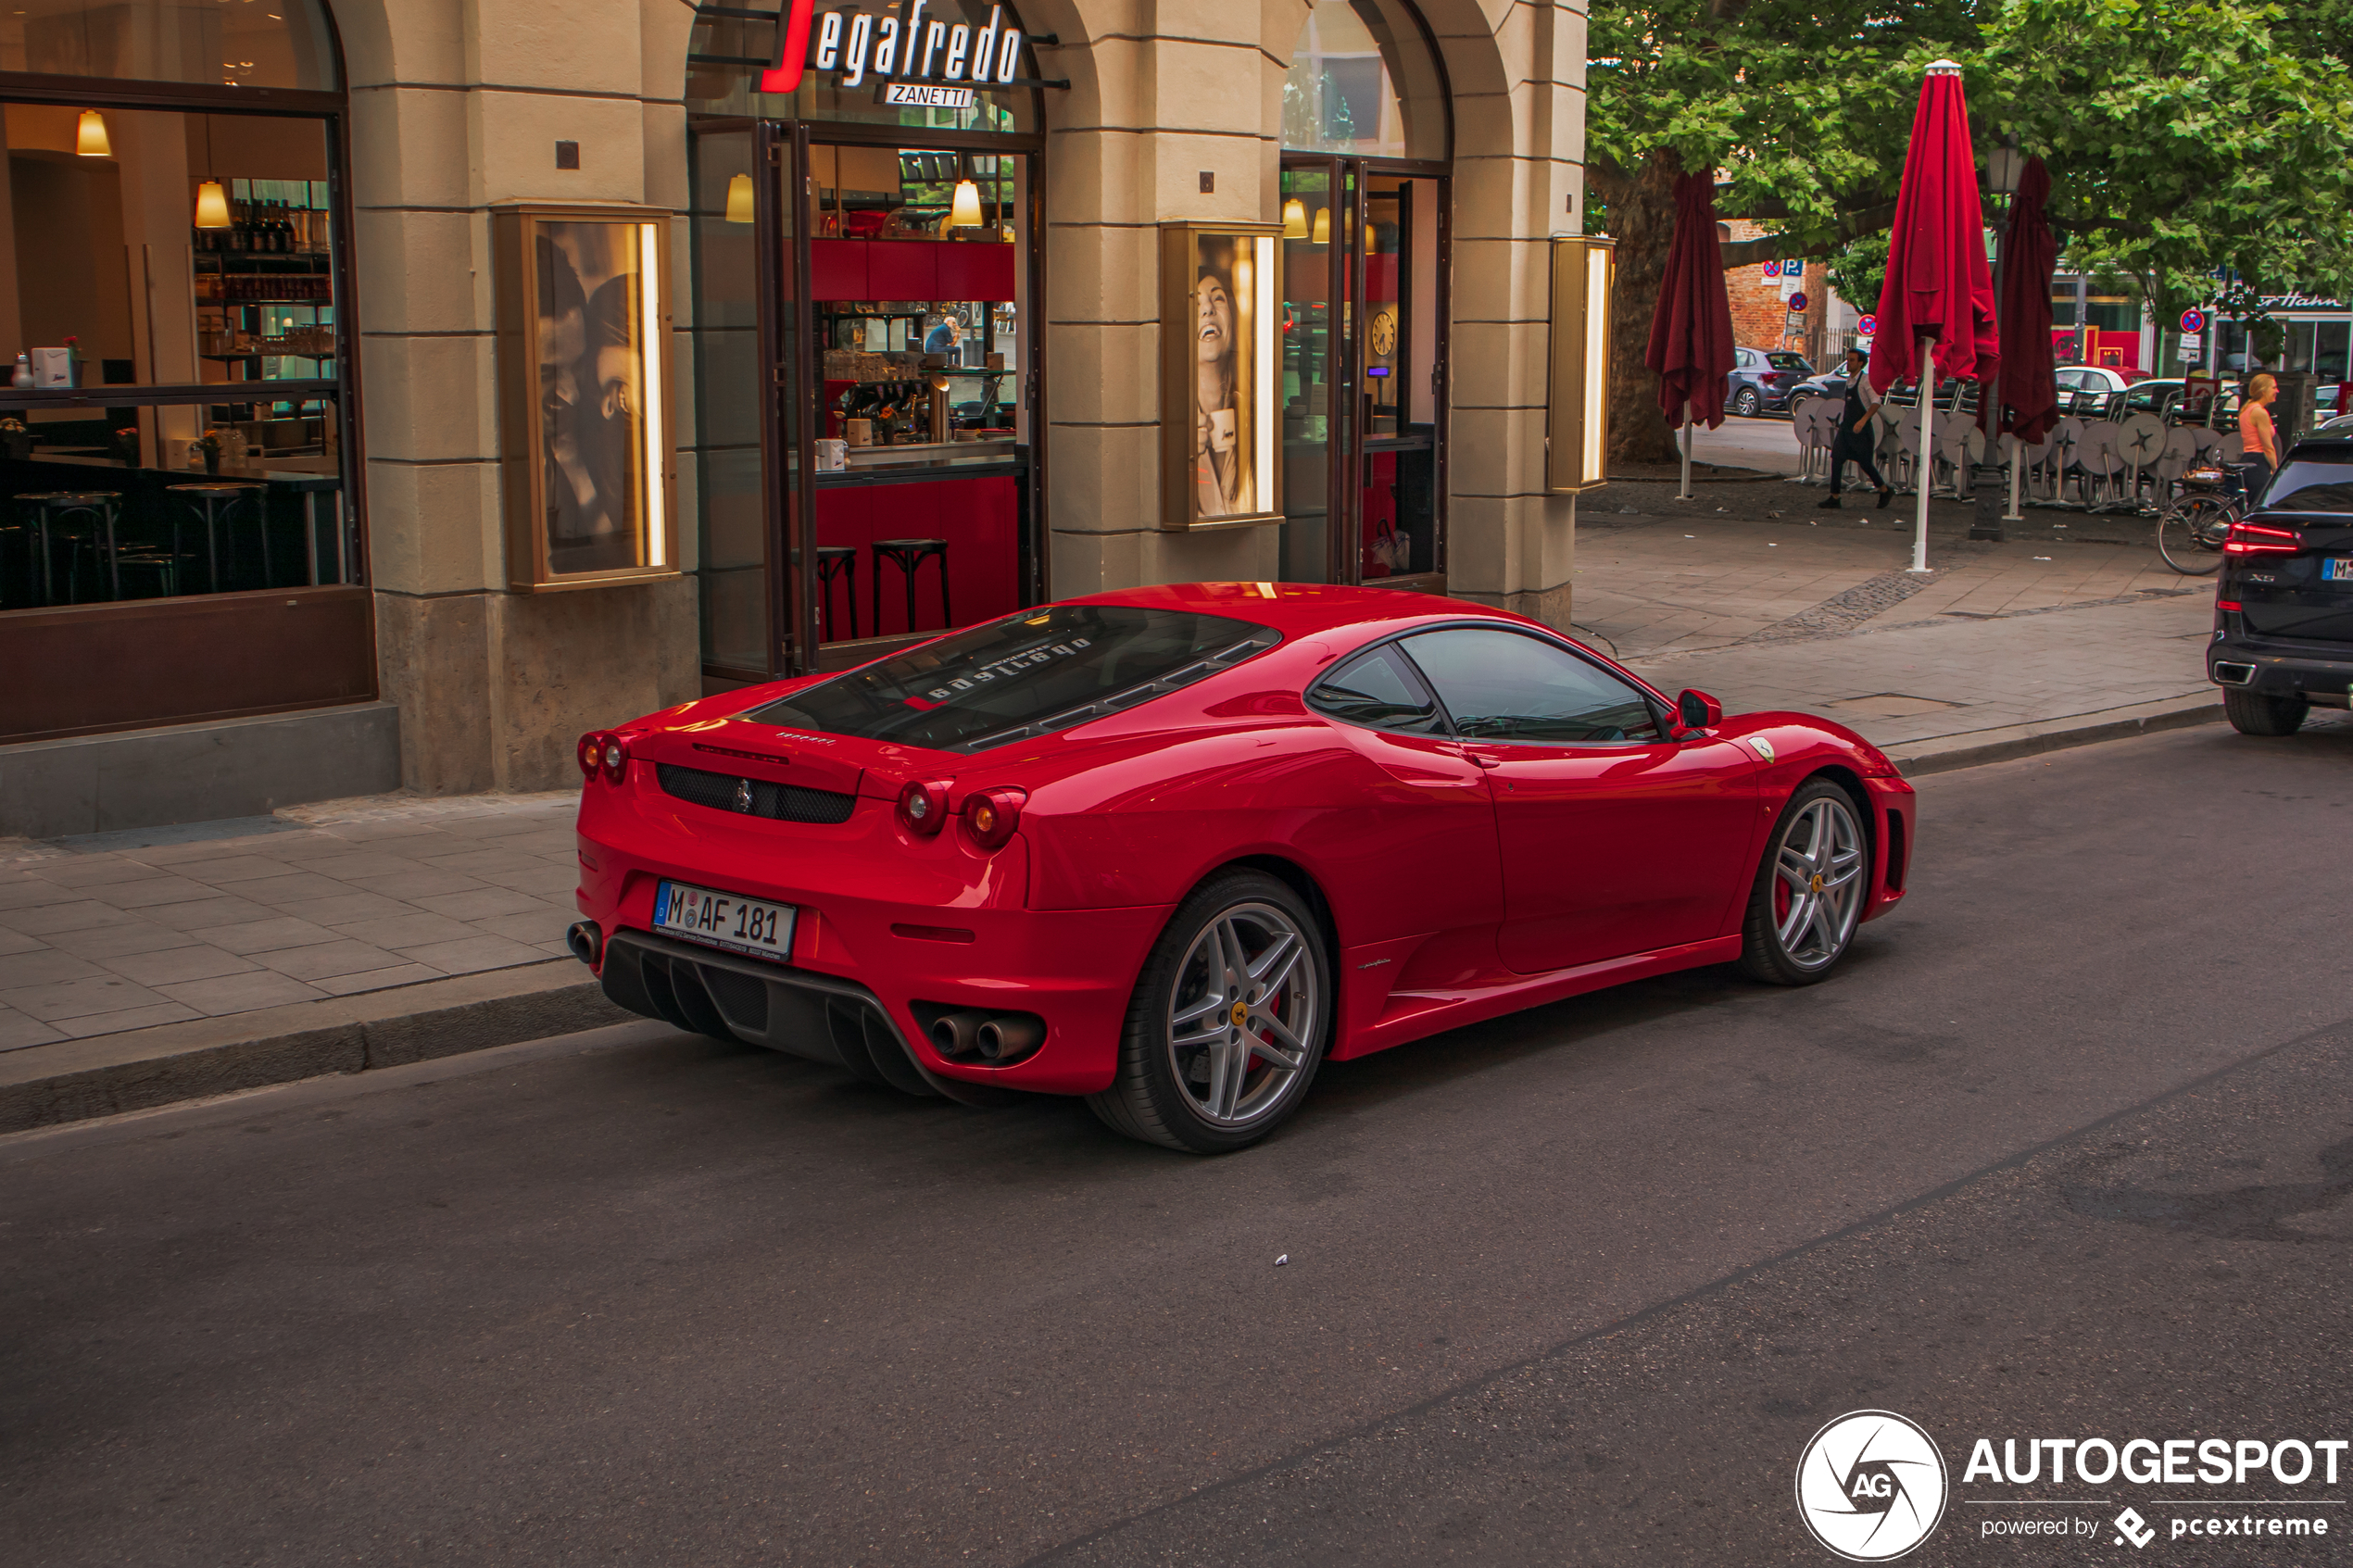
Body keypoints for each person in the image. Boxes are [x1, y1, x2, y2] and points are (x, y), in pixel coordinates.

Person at [1193, 268, 1247, 516]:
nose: (1207, 310)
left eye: (1218, 298)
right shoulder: (1168, 422)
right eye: (1195, 300)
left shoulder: (1256, 416)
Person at [1818, 348, 1894, 509]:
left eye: (1852, 360)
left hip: (1861, 429)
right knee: (1837, 458)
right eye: (1848, 359)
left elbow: (1876, 402)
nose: (1849, 363)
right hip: (1847, 427)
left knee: (1865, 463)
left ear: (1860, 363)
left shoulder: (1865, 381)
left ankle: (1884, 489)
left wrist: (1863, 420)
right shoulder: (1849, 381)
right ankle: (1834, 496)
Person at [2238, 370, 2280, 499]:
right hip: (2258, 462)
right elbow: (2267, 447)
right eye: (2273, 387)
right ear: (2263, 391)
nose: (2277, 391)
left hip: (2248, 458)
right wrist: (2276, 468)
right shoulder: (2260, 412)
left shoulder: (2247, 408)